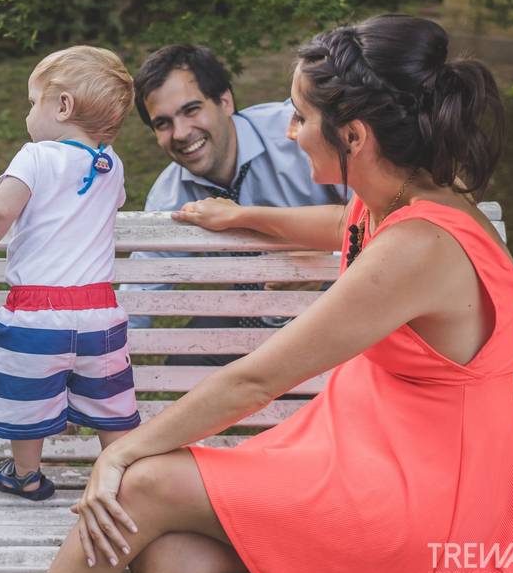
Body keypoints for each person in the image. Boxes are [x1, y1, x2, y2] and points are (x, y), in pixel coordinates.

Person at [31, 14, 513, 573]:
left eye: (300, 116)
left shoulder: (418, 247)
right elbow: (340, 223)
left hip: (429, 507)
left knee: (137, 487)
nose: (289, 132)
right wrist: (241, 214)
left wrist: (119, 456)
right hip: (372, 455)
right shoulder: (400, 199)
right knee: (164, 553)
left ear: (355, 137)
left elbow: (255, 380)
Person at [0, 46, 138, 501]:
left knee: (27, 399)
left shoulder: (36, 157)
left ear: (62, 106)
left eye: (33, 101)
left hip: (38, 312)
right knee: (108, 401)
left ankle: (26, 476)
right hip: (100, 312)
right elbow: (108, 206)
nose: (28, 113)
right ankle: (119, 478)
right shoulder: (111, 165)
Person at [121, 44, 347, 365]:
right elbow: (139, 295)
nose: (181, 133)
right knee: (188, 363)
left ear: (225, 101)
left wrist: (328, 263)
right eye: (163, 123)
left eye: (191, 110)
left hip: (341, 303)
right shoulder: (170, 197)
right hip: (254, 316)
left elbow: (383, 217)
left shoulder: (301, 135)